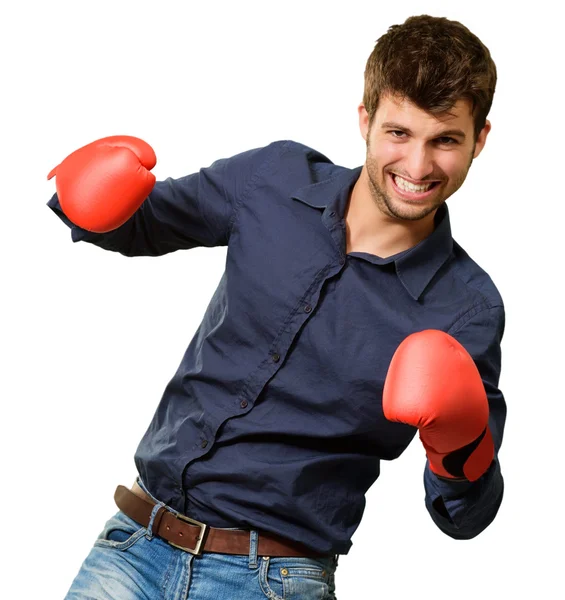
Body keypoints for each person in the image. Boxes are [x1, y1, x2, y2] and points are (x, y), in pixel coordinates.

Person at [47, 14, 506, 600]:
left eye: (445, 140)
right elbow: (139, 223)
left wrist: (462, 451)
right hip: (134, 544)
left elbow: (463, 516)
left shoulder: (466, 308)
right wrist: (82, 198)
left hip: (272, 580)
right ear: (365, 120)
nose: (417, 167)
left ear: (480, 139)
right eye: (398, 134)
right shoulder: (274, 177)